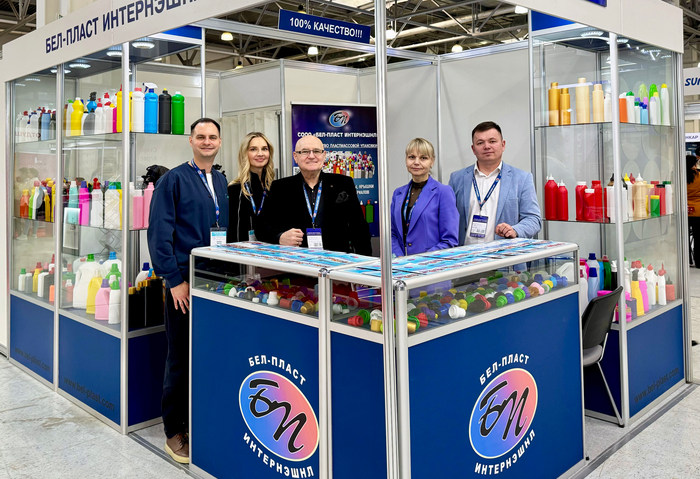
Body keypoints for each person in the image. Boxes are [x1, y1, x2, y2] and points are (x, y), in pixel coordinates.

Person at [147, 118, 229, 464]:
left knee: (205, 354)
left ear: (220, 142)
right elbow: (158, 234)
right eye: (201, 137)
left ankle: (198, 420)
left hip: (213, 280)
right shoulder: (174, 180)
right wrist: (173, 280)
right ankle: (173, 431)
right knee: (180, 357)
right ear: (191, 141)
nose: (207, 141)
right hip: (184, 283)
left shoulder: (220, 180)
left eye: (213, 137)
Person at [256, 135, 371, 255]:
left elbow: (359, 228)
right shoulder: (279, 187)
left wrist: (366, 262)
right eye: (305, 151)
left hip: (337, 260)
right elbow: (261, 228)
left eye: (316, 151)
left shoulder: (343, 183)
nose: (311, 156)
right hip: (296, 260)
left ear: (324, 155)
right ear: (295, 156)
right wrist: (279, 238)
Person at [448, 121, 541, 245]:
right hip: (465, 254)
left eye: (492, 141)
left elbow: (534, 219)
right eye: (480, 143)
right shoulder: (457, 178)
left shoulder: (522, 179)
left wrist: (515, 230)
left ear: (503, 145)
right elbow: (447, 218)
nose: (487, 146)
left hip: (504, 253)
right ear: (473, 149)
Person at [391, 138, 459, 256]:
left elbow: (449, 240)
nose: (416, 162)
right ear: (406, 160)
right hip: (400, 263)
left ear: (432, 161)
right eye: (412, 157)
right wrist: (399, 257)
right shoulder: (398, 193)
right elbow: (392, 234)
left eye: (423, 158)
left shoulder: (443, 192)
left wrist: (420, 260)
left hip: (429, 263)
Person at [227, 132, 275, 243]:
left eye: (264, 149)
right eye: (253, 149)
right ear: (245, 154)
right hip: (243, 251)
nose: (260, 154)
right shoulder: (235, 189)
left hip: (270, 249)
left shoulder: (273, 187)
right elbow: (234, 230)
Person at [687, 154, 700, 267]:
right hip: (698, 211)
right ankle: (699, 262)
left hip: (684, 210)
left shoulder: (680, 177)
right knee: (698, 237)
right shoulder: (699, 176)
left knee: (684, 237)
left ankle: (687, 260)